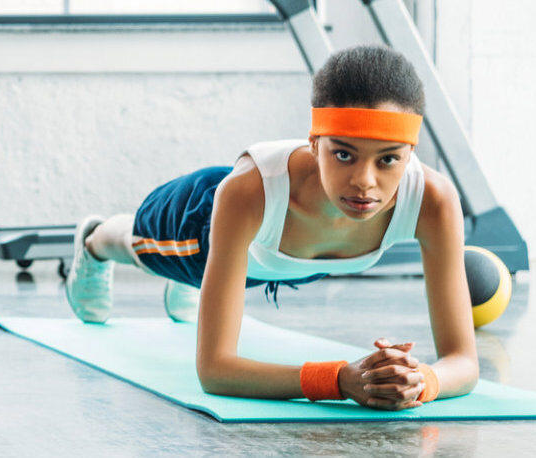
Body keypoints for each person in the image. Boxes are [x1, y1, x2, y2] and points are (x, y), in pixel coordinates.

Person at [62, 45, 477, 410]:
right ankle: (94, 240)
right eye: (344, 155)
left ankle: (208, 289)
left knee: (229, 280)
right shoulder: (247, 192)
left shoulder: (434, 201)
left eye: (388, 159)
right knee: (130, 241)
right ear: (314, 142)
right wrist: (337, 380)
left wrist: (423, 381)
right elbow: (214, 371)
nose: (365, 182)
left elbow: (464, 361)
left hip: (289, 257)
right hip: (199, 229)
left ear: (410, 153)